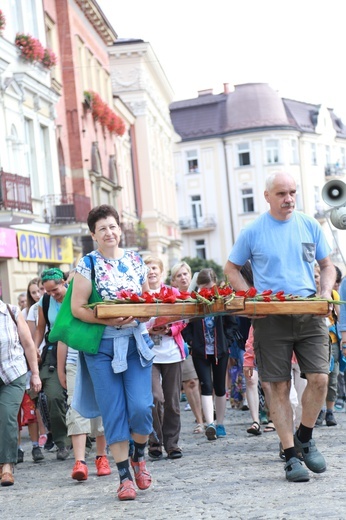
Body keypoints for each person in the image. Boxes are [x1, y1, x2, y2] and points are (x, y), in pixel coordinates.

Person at [225, 171, 335, 483]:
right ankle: (290, 455)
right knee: (278, 386)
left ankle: (305, 436)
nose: (288, 199)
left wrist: (325, 293)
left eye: (292, 192)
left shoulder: (309, 224)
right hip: (270, 317)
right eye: (281, 193)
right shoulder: (253, 230)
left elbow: (327, 266)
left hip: (308, 310)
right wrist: (250, 298)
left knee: (319, 379)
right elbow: (231, 268)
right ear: (267, 196)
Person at [70, 204, 154, 501]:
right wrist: (105, 318)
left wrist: (143, 315)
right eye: (102, 228)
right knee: (114, 411)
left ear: (120, 229)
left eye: (112, 226)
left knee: (142, 408)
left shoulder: (135, 260)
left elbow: (147, 303)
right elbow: (77, 308)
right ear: (94, 234)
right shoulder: (87, 263)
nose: (109, 232)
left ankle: (139, 456)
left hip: (134, 345)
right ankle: (123, 477)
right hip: (102, 348)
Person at [182, 268, 239, 440]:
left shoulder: (223, 299)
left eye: (209, 287)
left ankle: (220, 422)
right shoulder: (193, 301)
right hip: (200, 351)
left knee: (220, 386)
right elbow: (184, 323)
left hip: (220, 351)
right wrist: (191, 341)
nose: (207, 291)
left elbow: (232, 323)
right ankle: (210, 424)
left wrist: (227, 341)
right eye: (203, 288)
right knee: (206, 385)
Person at [144, 256, 186, 460]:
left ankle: (172, 444)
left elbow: (184, 318)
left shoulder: (173, 292)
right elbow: (133, 322)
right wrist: (148, 329)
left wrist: (169, 328)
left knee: (172, 401)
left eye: (154, 268)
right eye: (147, 268)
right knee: (154, 398)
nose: (151, 271)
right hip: (148, 354)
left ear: (161, 271)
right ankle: (155, 441)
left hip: (171, 353)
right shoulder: (139, 294)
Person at [0, 299, 42, 486]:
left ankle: (7, 465)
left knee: (8, 416)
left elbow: (28, 345)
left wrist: (35, 374)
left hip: (12, 374)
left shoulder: (11, 311)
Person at [57, 340, 111, 481]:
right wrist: (60, 369)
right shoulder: (68, 315)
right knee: (75, 407)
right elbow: (63, 338)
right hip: (74, 362)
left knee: (101, 405)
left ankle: (101, 456)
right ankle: (80, 462)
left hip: (100, 358)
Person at [34, 268, 71, 461]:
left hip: (76, 348)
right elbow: (41, 328)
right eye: (47, 291)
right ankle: (62, 442)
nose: (52, 295)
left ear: (64, 282)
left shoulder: (76, 294)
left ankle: (89, 441)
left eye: (55, 290)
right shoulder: (45, 301)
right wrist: (34, 348)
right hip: (53, 352)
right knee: (53, 396)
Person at [171, 262, 204, 433]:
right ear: (174, 280)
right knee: (191, 382)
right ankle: (200, 420)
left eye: (185, 274)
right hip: (182, 344)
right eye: (179, 275)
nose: (183, 278)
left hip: (205, 345)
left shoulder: (200, 295)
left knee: (207, 383)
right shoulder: (172, 298)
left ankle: (209, 417)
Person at [17, 277, 46, 464]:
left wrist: (34, 370)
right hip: (19, 369)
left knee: (32, 410)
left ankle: (36, 445)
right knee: (12, 415)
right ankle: (17, 448)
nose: (37, 295)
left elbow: (29, 343)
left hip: (27, 367)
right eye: (33, 292)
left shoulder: (13, 314)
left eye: (39, 290)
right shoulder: (24, 312)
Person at [315, 264, 342, 425]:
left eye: (317, 276)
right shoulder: (306, 295)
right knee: (316, 377)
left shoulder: (332, 294)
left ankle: (330, 411)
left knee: (332, 376)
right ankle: (319, 410)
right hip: (314, 343)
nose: (315, 280)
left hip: (331, 342)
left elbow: (341, 318)